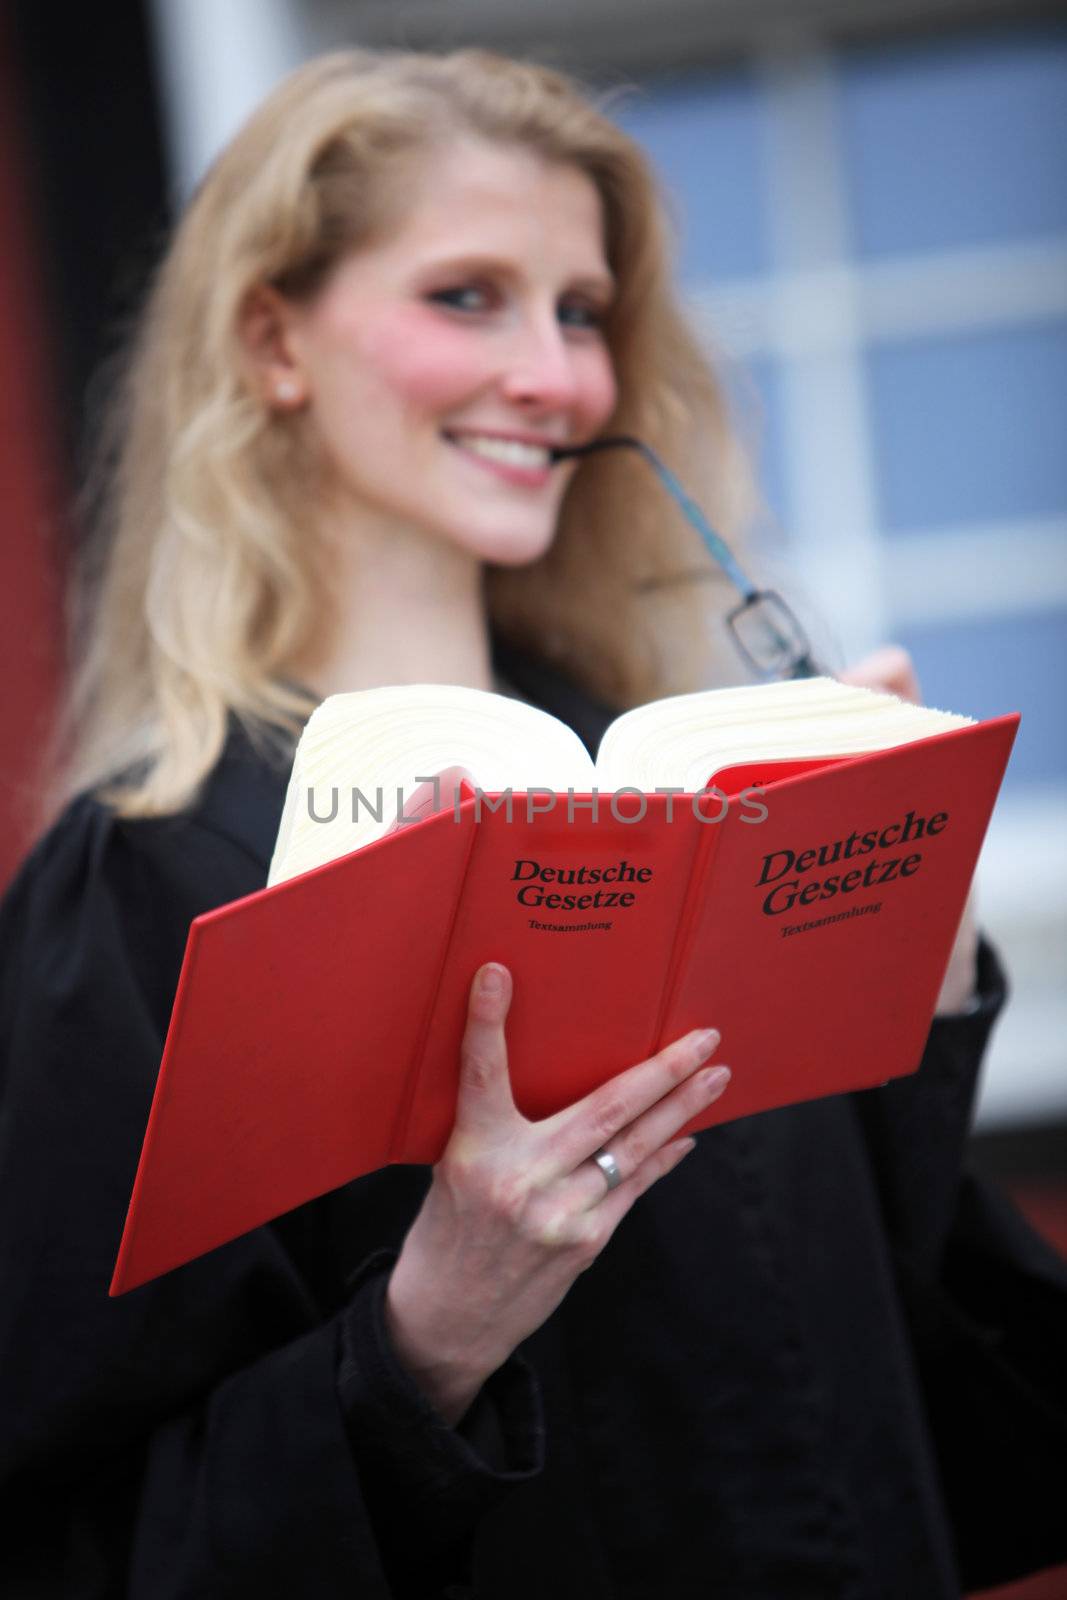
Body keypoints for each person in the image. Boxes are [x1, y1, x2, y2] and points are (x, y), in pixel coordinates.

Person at [1, 46, 1064, 1600]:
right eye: (468, 297)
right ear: (271, 337)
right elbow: (79, 1538)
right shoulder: (149, 883)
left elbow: (937, 1392)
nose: (559, 377)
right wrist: (432, 1330)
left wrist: (923, 931)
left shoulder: (687, 807)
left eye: (580, 312)